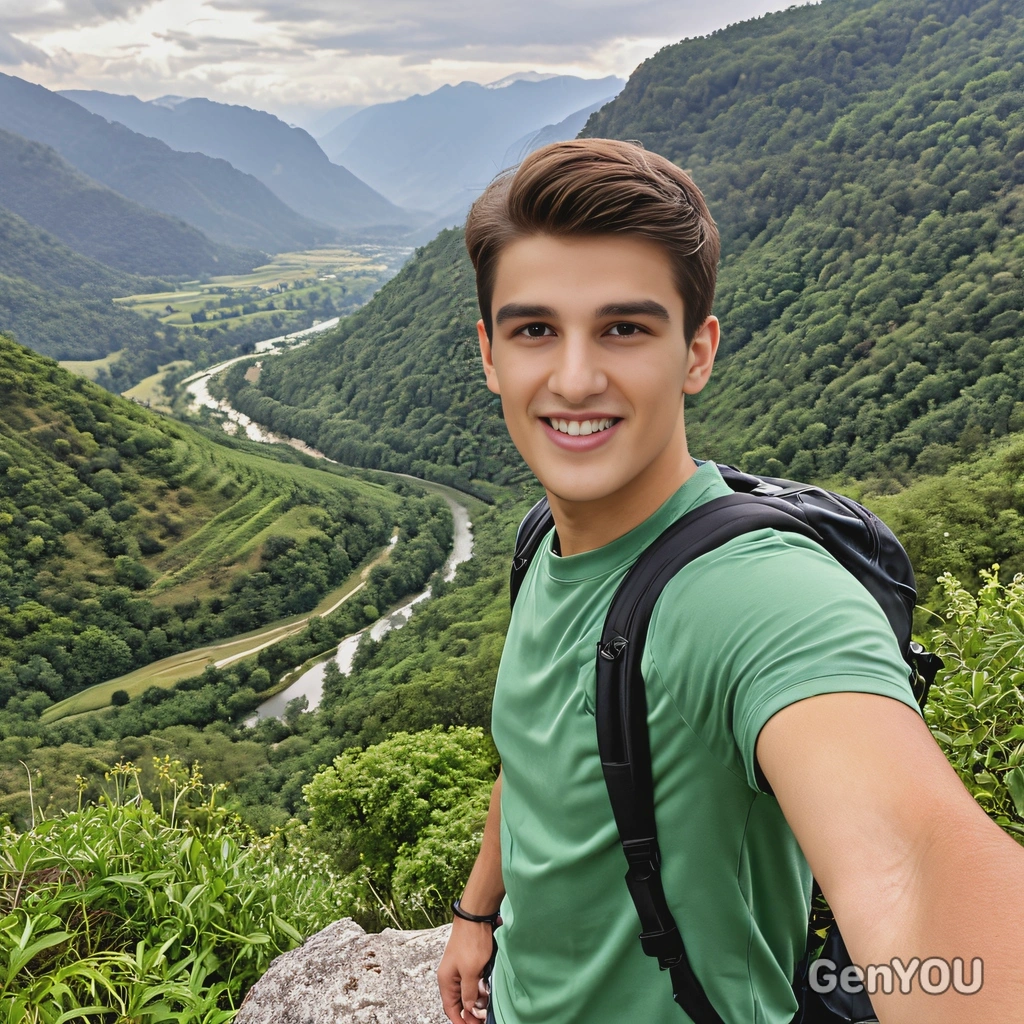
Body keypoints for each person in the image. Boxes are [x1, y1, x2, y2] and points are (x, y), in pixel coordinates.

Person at [436, 138, 1024, 1024]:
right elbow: (536, 758)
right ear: (490, 355)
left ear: (698, 352)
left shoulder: (752, 599)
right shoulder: (538, 545)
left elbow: (914, 867)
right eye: (534, 330)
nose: (574, 378)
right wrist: (477, 914)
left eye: (625, 328)